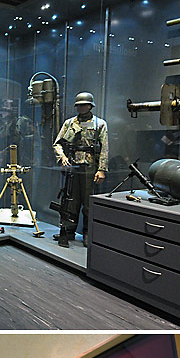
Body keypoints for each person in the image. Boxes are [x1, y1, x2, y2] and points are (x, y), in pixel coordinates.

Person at [52, 91, 108, 247]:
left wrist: (101, 169)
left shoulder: (99, 124)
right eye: (79, 105)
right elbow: (57, 143)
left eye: (84, 105)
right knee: (71, 200)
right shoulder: (70, 123)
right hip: (72, 167)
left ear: (90, 106)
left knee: (88, 202)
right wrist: (62, 157)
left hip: (90, 167)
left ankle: (87, 232)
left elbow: (104, 148)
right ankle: (68, 231)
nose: (81, 108)